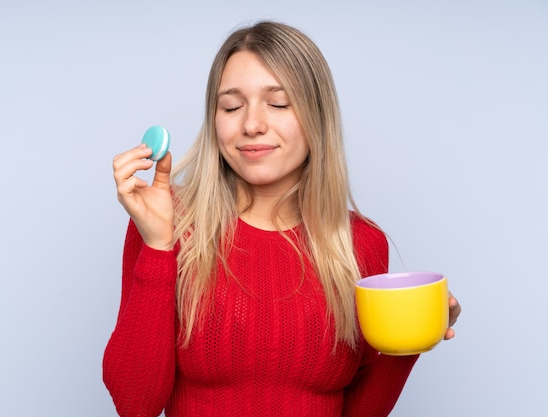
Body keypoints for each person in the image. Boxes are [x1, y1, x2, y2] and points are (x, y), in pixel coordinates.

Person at [104, 20, 461, 417]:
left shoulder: (360, 244)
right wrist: (157, 247)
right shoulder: (168, 220)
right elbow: (134, 404)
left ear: (316, 116)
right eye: (231, 106)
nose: (252, 124)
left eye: (278, 103)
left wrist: (410, 338)